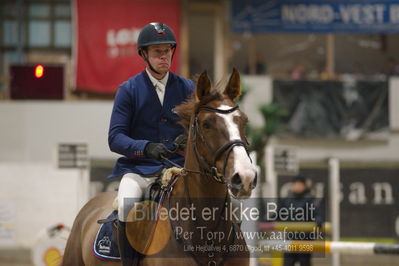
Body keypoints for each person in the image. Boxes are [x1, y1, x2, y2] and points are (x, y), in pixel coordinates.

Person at [108, 22, 195, 265]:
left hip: (180, 168)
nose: (163, 56)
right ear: (144, 54)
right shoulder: (129, 90)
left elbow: (200, 130)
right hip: (140, 169)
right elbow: (115, 138)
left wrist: (186, 138)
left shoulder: (187, 88)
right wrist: (146, 147)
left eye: (167, 50)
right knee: (126, 205)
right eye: (157, 52)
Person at [279, 175, 324, 266]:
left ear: (304, 186)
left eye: (300, 184)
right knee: (287, 262)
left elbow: (318, 214)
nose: (297, 186)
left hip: (306, 238)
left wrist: (319, 220)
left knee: (305, 262)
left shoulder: (311, 199)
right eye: (295, 184)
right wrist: (265, 220)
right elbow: (277, 213)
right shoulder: (287, 199)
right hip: (291, 238)